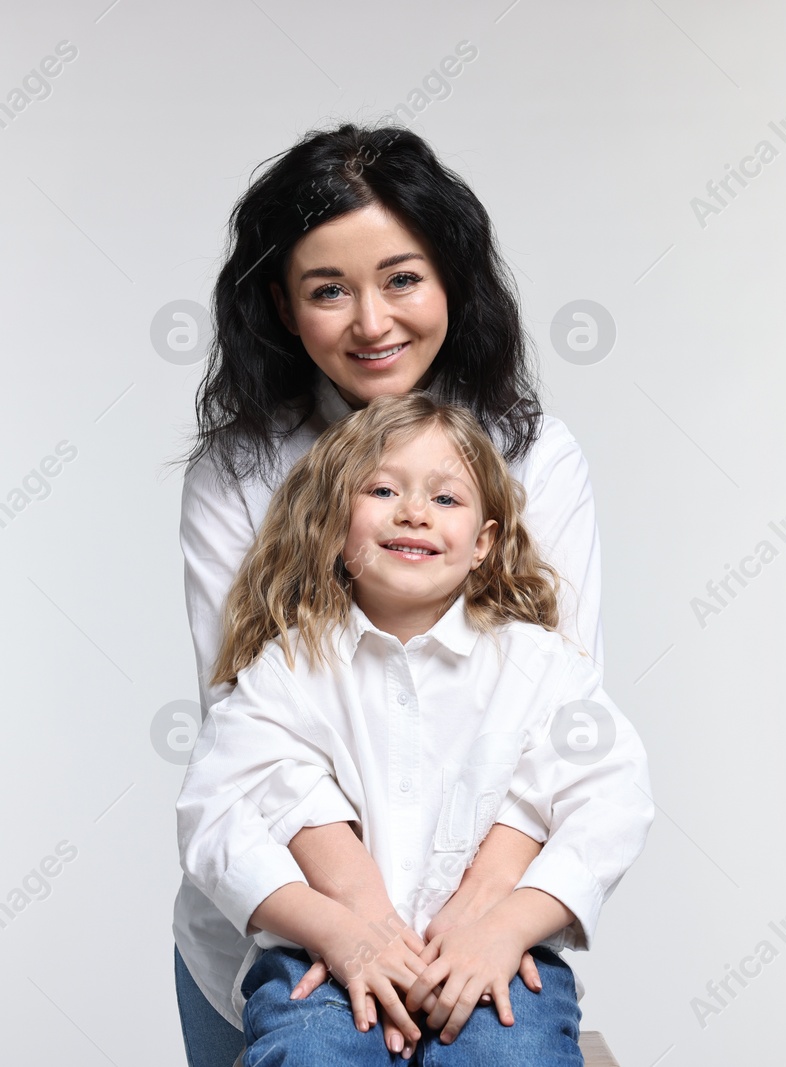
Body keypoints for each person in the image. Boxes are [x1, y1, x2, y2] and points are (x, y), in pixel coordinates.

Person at [171, 121, 610, 1067]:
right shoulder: (242, 473)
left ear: (452, 278)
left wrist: (466, 929)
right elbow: (248, 748)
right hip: (294, 937)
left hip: (482, 944)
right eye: (329, 290)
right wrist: (362, 930)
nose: (372, 322)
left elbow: (565, 733)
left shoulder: (536, 455)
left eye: (403, 278)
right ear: (286, 309)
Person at [177, 392, 655, 1063]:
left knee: (511, 1057)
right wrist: (336, 929)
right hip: (321, 962)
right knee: (311, 1054)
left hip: (496, 955)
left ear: (485, 543)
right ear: (333, 524)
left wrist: (511, 923)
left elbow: (613, 798)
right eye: (381, 488)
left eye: (447, 498)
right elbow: (214, 813)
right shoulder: (287, 667)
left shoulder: (540, 665)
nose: (414, 511)